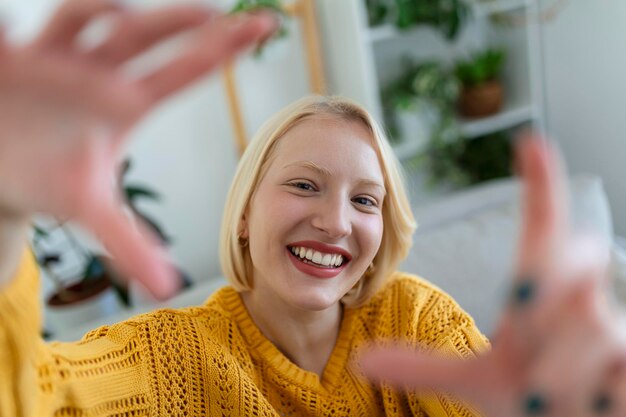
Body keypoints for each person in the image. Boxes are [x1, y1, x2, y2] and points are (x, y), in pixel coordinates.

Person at [1, 1, 625, 416]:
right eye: (303, 185)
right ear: (244, 214)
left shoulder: (413, 318)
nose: (336, 221)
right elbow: (32, 399)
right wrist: (6, 209)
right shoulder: (175, 356)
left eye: (364, 200)